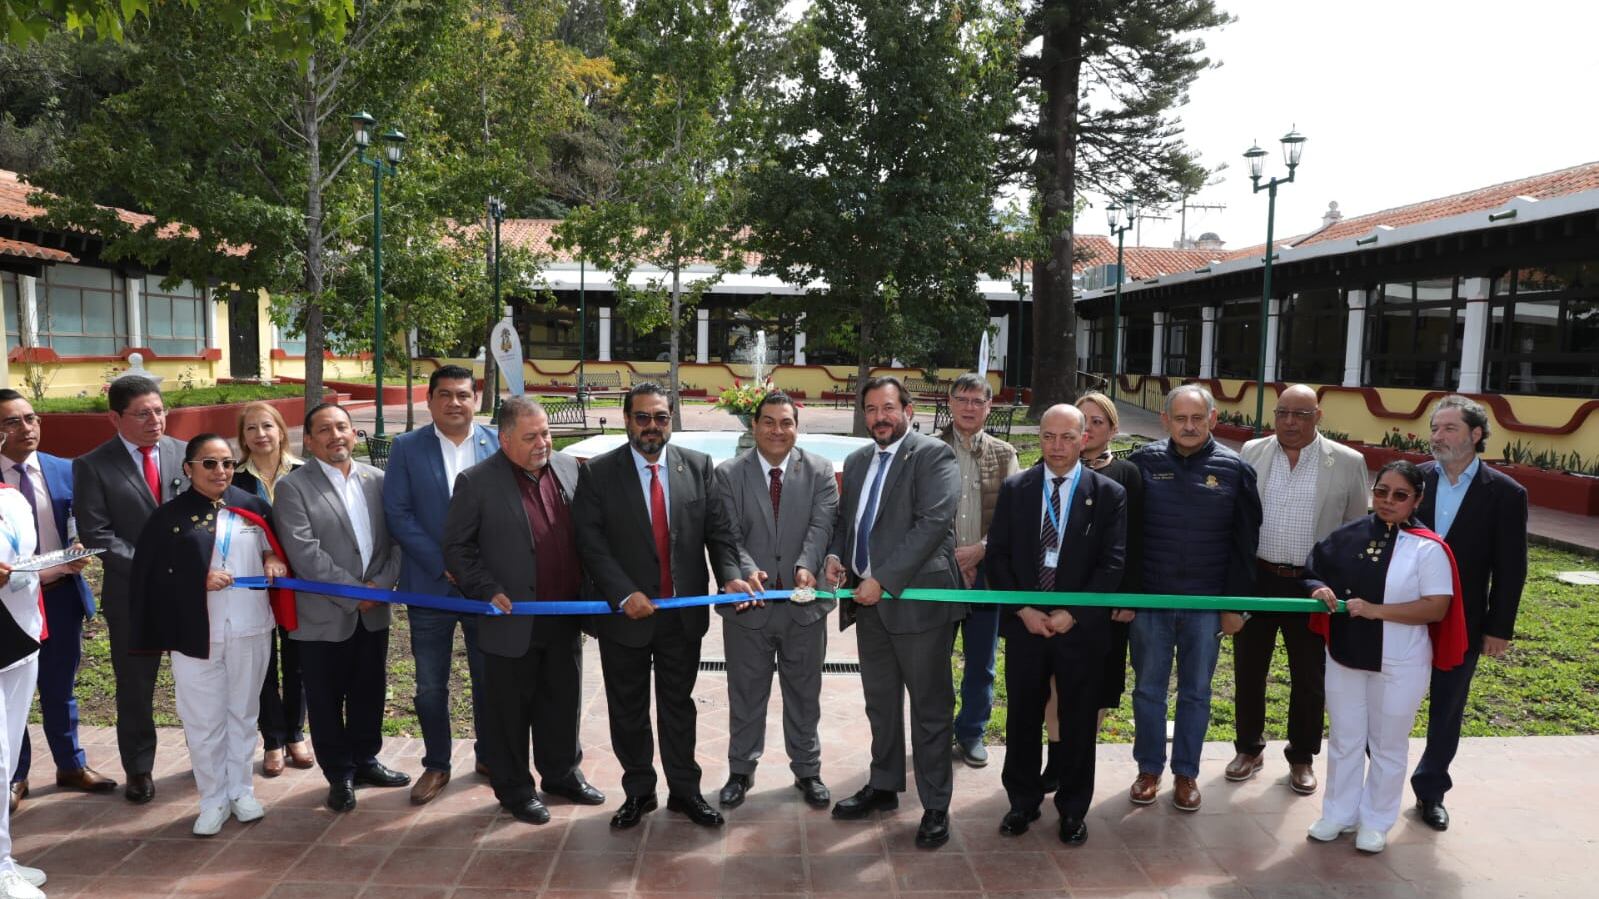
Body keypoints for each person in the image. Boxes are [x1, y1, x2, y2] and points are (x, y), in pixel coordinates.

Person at [572, 382, 750, 830]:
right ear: (626, 419)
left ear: (672, 420)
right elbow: (590, 545)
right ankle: (639, 792)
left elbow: (719, 534)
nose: (652, 427)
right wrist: (622, 593)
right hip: (624, 617)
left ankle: (685, 792)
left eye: (661, 418)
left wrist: (730, 575)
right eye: (643, 417)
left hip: (681, 617)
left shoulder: (698, 466)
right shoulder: (597, 473)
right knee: (627, 709)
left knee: (678, 707)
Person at [443, 398, 604, 824]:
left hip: (564, 617)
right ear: (505, 439)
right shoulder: (476, 482)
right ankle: (514, 789)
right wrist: (486, 589)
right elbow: (458, 549)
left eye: (546, 433)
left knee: (561, 703)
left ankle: (562, 775)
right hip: (510, 621)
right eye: (531, 437)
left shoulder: (571, 469)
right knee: (508, 713)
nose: (543, 443)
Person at [126, 434, 294, 836]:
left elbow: (276, 546)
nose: (220, 471)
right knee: (203, 720)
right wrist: (194, 579)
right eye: (209, 463)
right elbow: (147, 577)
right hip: (194, 633)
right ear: (188, 468)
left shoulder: (253, 506)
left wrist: (273, 556)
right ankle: (212, 798)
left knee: (244, 712)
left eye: (227, 463)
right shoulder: (168, 517)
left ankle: (241, 790)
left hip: (251, 627)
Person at [823, 376, 964, 849]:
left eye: (888, 408)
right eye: (871, 409)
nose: (879, 417)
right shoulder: (859, 459)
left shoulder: (933, 455)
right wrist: (836, 557)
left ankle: (936, 805)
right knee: (880, 703)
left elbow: (932, 525)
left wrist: (882, 580)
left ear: (907, 408)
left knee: (929, 709)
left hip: (917, 602)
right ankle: (884, 785)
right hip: (869, 607)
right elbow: (849, 520)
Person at [1305, 461, 1465, 854]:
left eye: (1399, 495)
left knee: (1387, 744)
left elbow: (1436, 607)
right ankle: (1339, 813)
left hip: (1400, 660)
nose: (1387, 501)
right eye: (1381, 492)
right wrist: (1318, 589)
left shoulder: (1428, 548)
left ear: (1417, 500)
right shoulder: (1349, 533)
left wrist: (1376, 610)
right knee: (1344, 738)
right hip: (1345, 654)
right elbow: (1313, 569)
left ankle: (1376, 820)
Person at [985, 404, 1125, 845]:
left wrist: (1074, 613)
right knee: (1022, 716)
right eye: (1048, 436)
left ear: (1085, 439)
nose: (1057, 446)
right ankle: (1022, 802)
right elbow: (999, 557)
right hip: (1027, 627)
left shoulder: (1108, 494)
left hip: (1079, 630)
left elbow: (1113, 563)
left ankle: (1072, 808)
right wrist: (1023, 611)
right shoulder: (1017, 488)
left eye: (1067, 437)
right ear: (1039, 438)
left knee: (1079, 719)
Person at [1126, 384, 1262, 812]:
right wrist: (1128, 596)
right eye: (1180, 418)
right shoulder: (1142, 464)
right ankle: (1149, 768)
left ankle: (1186, 773)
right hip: (1151, 603)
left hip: (1206, 607)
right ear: (1165, 421)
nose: (1188, 426)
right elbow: (1125, 537)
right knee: (1148, 690)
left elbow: (1245, 545)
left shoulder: (1235, 470)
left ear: (1212, 420)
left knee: (1197, 692)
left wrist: (1234, 605)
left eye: (1197, 419)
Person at [1231, 384, 1369, 795]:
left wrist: (1337, 584)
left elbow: (1355, 531)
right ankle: (1249, 749)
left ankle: (1302, 756)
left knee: (1309, 675)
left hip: (1312, 587)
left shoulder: (1347, 462)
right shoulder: (1251, 452)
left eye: (1302, 415)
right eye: (1283, 413)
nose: (1290, 422)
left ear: (1318, 417)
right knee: (1249, 670)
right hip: (1259, 579)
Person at [274, 403, 407, 813]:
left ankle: (366, 760)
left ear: (354, 433)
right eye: (325, 430)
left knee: (369, 691)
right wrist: (356, 591)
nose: (336, 436)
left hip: (374, 611)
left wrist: (380, 588)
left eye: (343, 427)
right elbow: (305, 553)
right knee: (326, 698)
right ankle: (340, 774)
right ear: (309, 440)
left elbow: (397, 541)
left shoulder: (380, 481)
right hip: (323, 615)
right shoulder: (293, 488)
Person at [711, 391, 838, 809]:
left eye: (786, 422)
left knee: (805, 694)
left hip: (805, 607)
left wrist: (806, 565)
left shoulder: (820, 471)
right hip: (750, 606)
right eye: (769, 422)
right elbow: (727, 534)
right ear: (754, 425)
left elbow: (822, 526)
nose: (777, 431)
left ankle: (808, 770)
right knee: (745, 692)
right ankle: (740, 771)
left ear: (796, 427)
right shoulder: (728, 474)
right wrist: (747, 570)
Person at [1409, 395, 1528, 832]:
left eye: (1449, 429)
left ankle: (1431, 790)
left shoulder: (1506, 494)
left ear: (1476, 435)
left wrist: (1499, 627)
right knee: (1390, 701)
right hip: (1405, 613)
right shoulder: (1414, 479)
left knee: (1448, 706)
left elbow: (1511, 567)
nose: (1437, 437)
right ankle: (1376, 783)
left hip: (1465, 619)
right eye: (1435, 429)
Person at [382, 365, 497, 804]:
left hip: (484, 589)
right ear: (428, 401)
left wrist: (474, 571)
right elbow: (399, 514)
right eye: (445, 394)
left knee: (489, 678)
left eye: (463, 394)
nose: (454, 402)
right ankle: (437, 764)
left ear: (475, 399)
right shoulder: (407, 448)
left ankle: (489, 755)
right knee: (431, 685)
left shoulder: (494, 444)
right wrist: (444, 563)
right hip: (429, 586)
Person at [72, 374, 188, 803]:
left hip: (191, 594)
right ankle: (139, 769)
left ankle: (207, 755)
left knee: (198, 680)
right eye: (143, 414)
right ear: (115, 418)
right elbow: (97, 533)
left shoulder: (185, 453)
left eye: (160, 411)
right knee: (136, 687)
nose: (155, 420)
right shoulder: (92, 465)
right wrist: (153, 567)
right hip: (132, 596)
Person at [0, 390, 108, 815]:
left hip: (60, 595)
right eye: (12, 421)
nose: (26, 428)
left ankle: (70, 764)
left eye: (31, 418)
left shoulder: (65, 470)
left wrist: (80, 545)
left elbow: (83, 522)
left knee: (60, 686)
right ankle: (15, 774)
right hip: (9, 603)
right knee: (14, 691)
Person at [230, 400, 313, 778]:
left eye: (267, 426)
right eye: (251, 428)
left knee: (298, 661)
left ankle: (296, 733)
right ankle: (274, 740)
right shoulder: (233, 480)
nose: (260, 435)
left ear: (281, 430)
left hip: (300, 583)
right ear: (242, 437)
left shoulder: (306, 474)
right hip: (254, 583)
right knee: (263, 663)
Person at [940, 373, 1019, 769]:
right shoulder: (927, 450)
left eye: (978, 401)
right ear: (949, 402)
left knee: (981, 660)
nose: (969, 407)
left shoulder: (1004, 454)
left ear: (990, 407)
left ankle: (971, 732)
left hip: (987, 574)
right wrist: (954, 558)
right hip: (937, 574)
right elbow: (918, 513)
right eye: (962, 398)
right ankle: (934, 731)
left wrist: (979, 552)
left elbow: (1013, 516)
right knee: (933, 659)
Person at [1075, 392, 1143, 745]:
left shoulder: (1127, 474)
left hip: (1109, 599)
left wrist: (1128, 596)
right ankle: (1060, 750)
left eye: (1097, 421)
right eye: (1081, 419)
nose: (1088, 428)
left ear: (1113, 430)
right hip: (1063, 594)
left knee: (1101, 678)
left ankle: (1083, 748)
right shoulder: (1053, 465)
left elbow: (1136, 538)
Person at [0, 458, 53, 897]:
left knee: (9, 752)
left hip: (19, 639)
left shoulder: (12, 500)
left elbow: (25, 565)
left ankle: (2, 857)